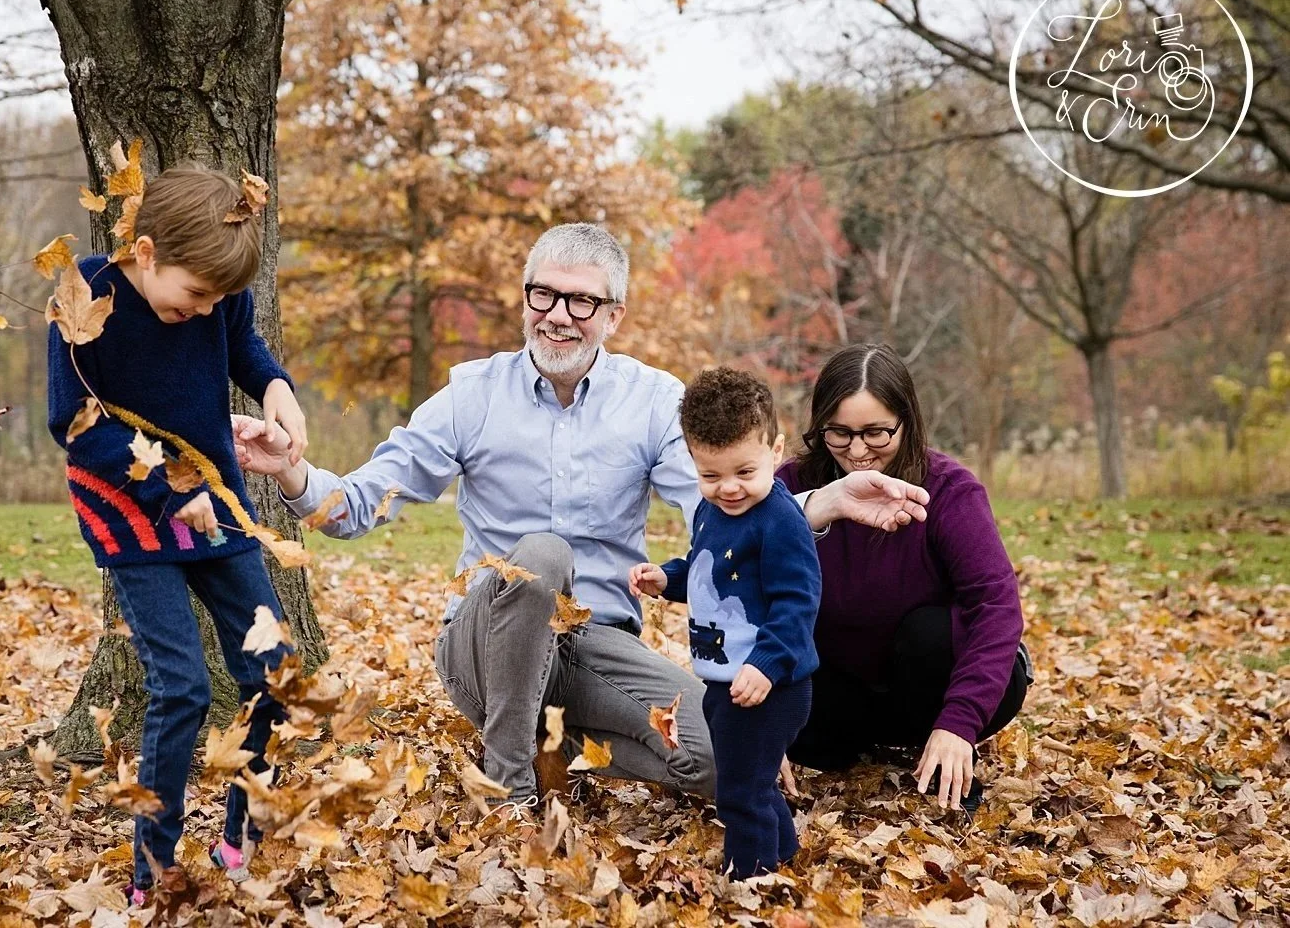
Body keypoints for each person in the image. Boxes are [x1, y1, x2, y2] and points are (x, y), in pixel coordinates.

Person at [233, 222, 930, 813]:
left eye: (582, 300)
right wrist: (289, 469)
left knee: (726, 759)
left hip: (595, 644)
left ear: (614, 314)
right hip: (486, 642)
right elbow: (359, 503)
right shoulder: (471, 394)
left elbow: (724, 509)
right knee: (539, 556)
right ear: (525, 297)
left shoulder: (655, 402)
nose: (558, 314)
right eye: (545, 294)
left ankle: (559, 748)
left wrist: (822, 502)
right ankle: (509, 785)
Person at [46, 164, 310, 904]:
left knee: (274, 672)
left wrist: (278, 389)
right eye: (195, 295)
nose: (205, 311)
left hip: (215, 508)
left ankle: (237, 841)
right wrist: (165, 486)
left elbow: (243, 349)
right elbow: (71, 424)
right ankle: (150, 873)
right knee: (184, 689)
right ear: (149, 253)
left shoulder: (216, 295)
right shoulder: (84, 296)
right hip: (131, 517)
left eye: (219, 300)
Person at [777, 343, 1032, 814]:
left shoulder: (951, 490)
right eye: (839, 433)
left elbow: (996, 608)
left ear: (906, 421)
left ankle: (944, 744)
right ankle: (850, 742)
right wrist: (761, 731)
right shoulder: (790, 486)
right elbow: (738, 582)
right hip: (843, 684)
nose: (857, 451)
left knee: (928, 634)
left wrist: (959, 721)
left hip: (933, 680)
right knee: (812, 734)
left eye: (876, 432)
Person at [629, 369, 820, 879]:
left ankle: (749, 878)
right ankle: (782, 854)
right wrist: (665, 579)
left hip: (770, 684)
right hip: (723, 678)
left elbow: (798, 603)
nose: (728, 488)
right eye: (710, 476)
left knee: (739, 789)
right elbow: (705, 568)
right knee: (752, 779)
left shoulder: (780, 521)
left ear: (775, 452)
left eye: (744, 472)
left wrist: (767, 664)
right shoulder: (710, 511)